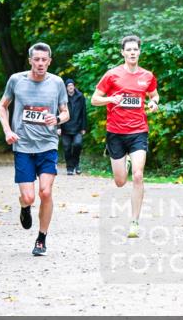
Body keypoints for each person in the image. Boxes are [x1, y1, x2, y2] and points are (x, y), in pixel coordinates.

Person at [0, 43, 69, 256]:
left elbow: (66, 112)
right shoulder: (16, 80)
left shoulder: (57, 83)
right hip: (23, 146)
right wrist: (7, 130)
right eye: (36, 59)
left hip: (47, 145)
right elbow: (3, 106)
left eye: (44, 60)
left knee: (45, 192)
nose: (40, 63)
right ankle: (24, 206)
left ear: (49, 61)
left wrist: (56, 118)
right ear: (30, 60)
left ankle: (41, 239)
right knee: (29, 197)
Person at [91, 35, 159, 238]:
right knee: (120, 181)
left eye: (135, 49)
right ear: (122, 52)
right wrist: (112, 98)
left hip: (138, 130)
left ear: (139, 52)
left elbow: (154, 95)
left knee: (138, 175)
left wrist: (155, 103)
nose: (132, 52)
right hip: (115, 132)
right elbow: (94, 99)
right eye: (128, 50)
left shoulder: (147, 76)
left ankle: (134, 222)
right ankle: (124, 163)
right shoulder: (112, 75)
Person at [58, 78, 87, 175]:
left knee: (77, 144)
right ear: (66, 88)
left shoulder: (80, 97)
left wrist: (83, 127)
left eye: (72, 85)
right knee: (66, 148)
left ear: (74, 86)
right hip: (65, 128)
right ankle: (70, 168)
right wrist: (58, 127)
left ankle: (76, 163)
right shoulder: (62, 98)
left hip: (77, 127)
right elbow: (58, 112)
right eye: (68, 86)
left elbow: (84, 113)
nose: (70, 87)